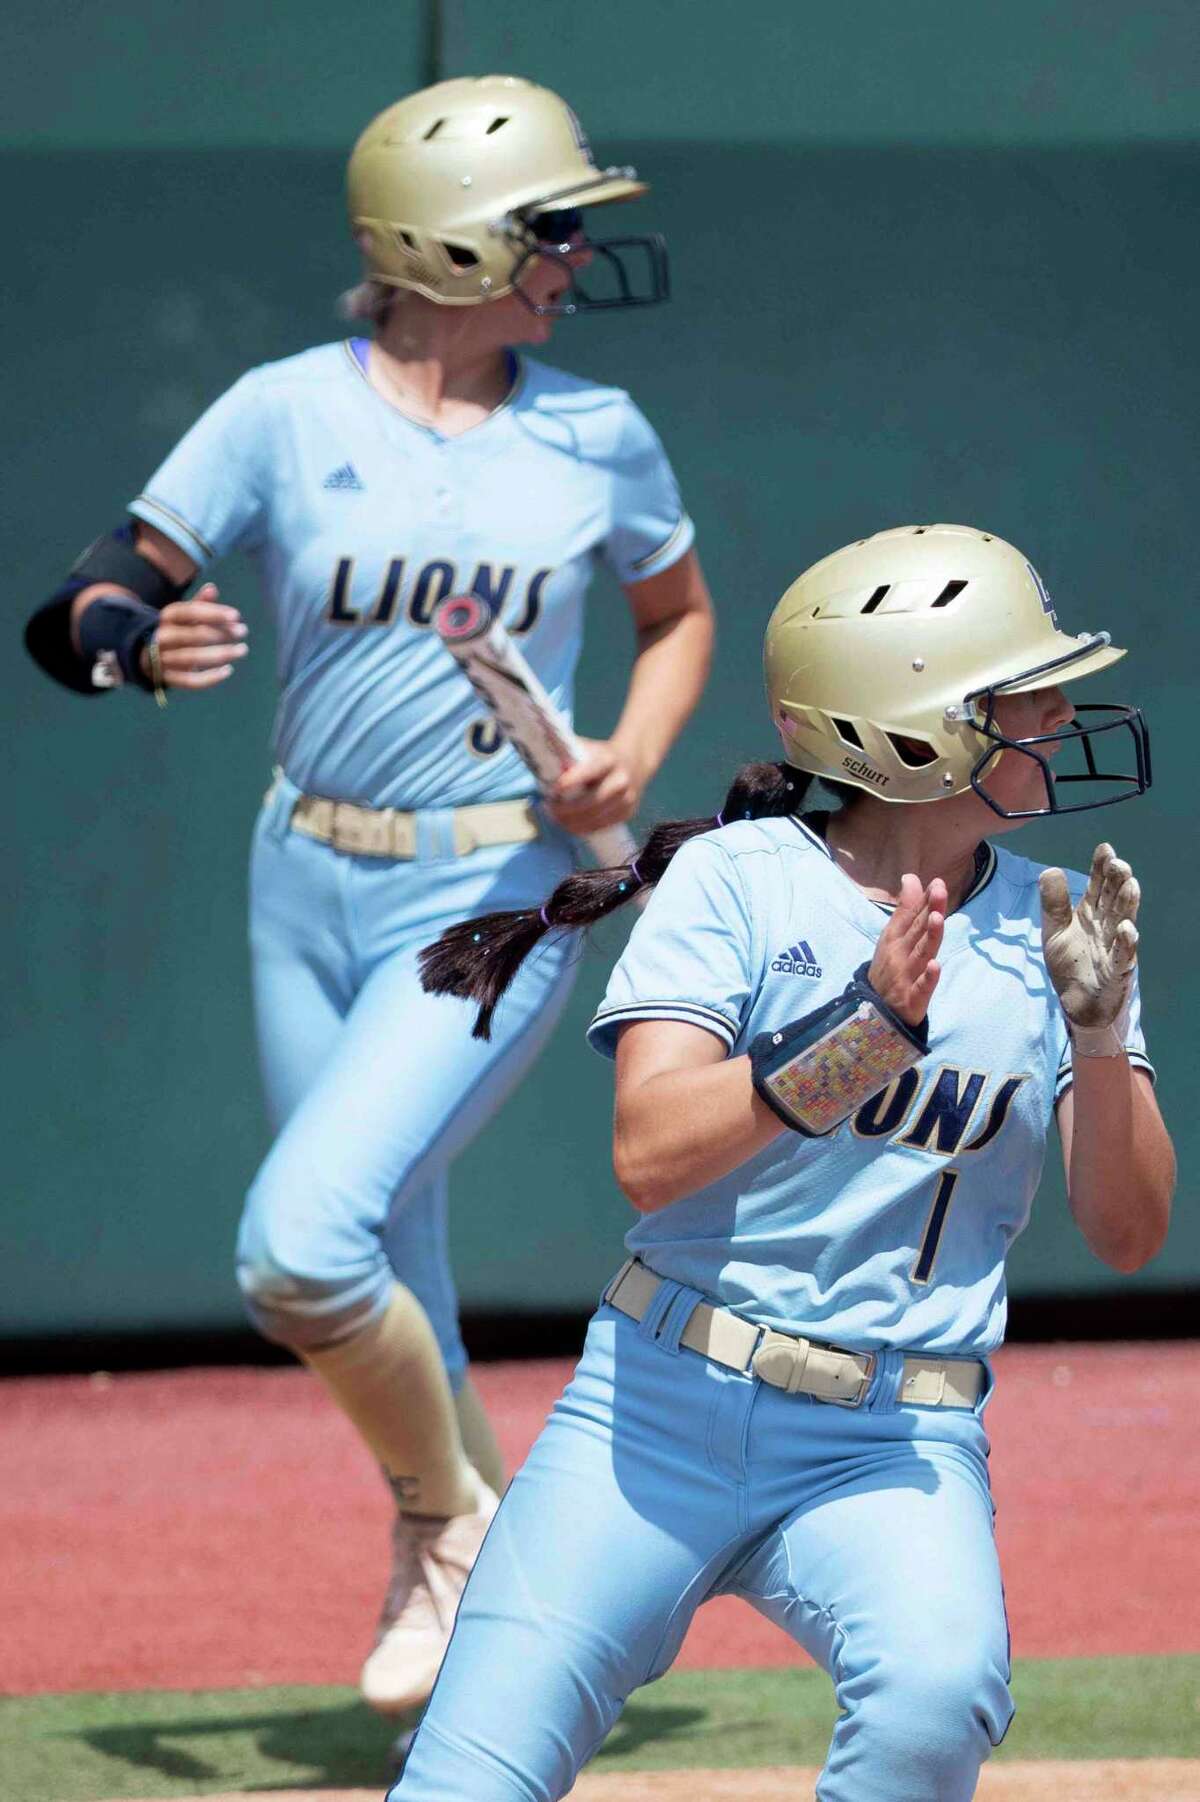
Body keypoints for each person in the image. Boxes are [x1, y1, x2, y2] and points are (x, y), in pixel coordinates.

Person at [23, 74, 714, 1716]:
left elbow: (680, 614)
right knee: (390, 1260)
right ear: (440, 242)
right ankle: (529, 1629)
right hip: (302, 877)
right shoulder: (283, 409)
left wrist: (626, 749)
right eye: (545, 227)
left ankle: (444, 1523)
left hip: (491, 889)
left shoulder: (597, 432)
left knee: (299, 1247)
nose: (573, 257)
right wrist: (139, 643)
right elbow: (84, 602)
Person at [402, 522, 1172, 1802]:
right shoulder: (739, 880)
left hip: (896, 1435)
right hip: (659, 1404)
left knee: (938, 1698)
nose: (1060, 709)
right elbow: (649, 1153)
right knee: (469, 1780)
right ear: (915, 723)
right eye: (1022, 690)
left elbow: (1131, 1232)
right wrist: (865, 1033)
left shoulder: (1056, 919)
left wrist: (1097, 1031)